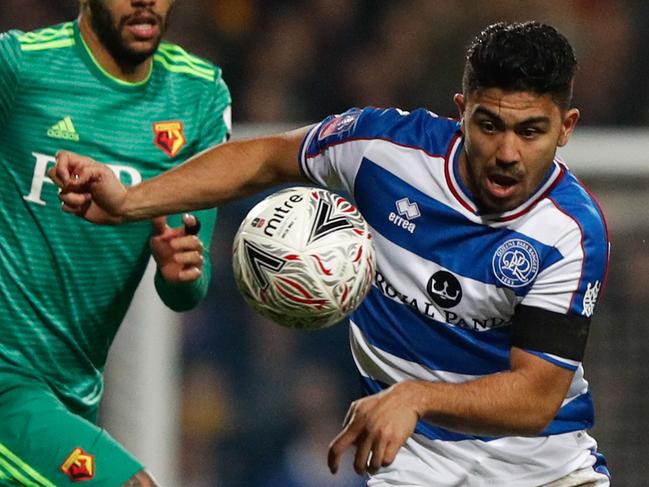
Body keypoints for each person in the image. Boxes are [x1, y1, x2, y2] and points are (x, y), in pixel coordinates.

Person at [52, 21, 610, 486]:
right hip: (414, 469)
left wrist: (414, 396)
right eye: (489, 125)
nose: (507, 152)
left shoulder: (569, 232)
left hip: (548, 472)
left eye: (531, 131)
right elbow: (265, 159)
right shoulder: (383, 152)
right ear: (461, 110)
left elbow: (536, 396)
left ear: (566, 128)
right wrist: (130, 201)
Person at [0, 0, 230, 485]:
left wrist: (179, 269)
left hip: (74, 396)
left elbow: (188, 287)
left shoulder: (199, 94)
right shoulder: (20, 66)